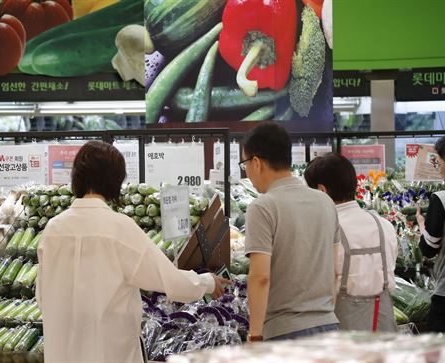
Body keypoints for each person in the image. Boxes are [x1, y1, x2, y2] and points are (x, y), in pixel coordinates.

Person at [36, 141, 229, 362]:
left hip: (61, 353)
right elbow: (170, 281)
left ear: (76, 177)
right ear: (115, 181)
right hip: (110, 352)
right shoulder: (119, 228)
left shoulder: (53, 230)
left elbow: (42, 296)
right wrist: (207, 282)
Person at [241, 123, 339, 342]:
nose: (246, 172)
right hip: (328, 327)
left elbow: (260, 277)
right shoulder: (325, 201)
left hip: (285, 332)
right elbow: (335, 270)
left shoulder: (263, 206)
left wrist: (255, 336)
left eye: (244, 164)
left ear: (256, 163)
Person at [304, 153, 397, 332]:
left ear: (321, 191)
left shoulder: (325, 230)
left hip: (342, 332)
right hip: (383, 330)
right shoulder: (384, 225)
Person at [416, 136, 445, 333]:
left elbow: (429, 248)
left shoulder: (441, 199)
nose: (439, 168)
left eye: (440, 162)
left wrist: (422, 225)